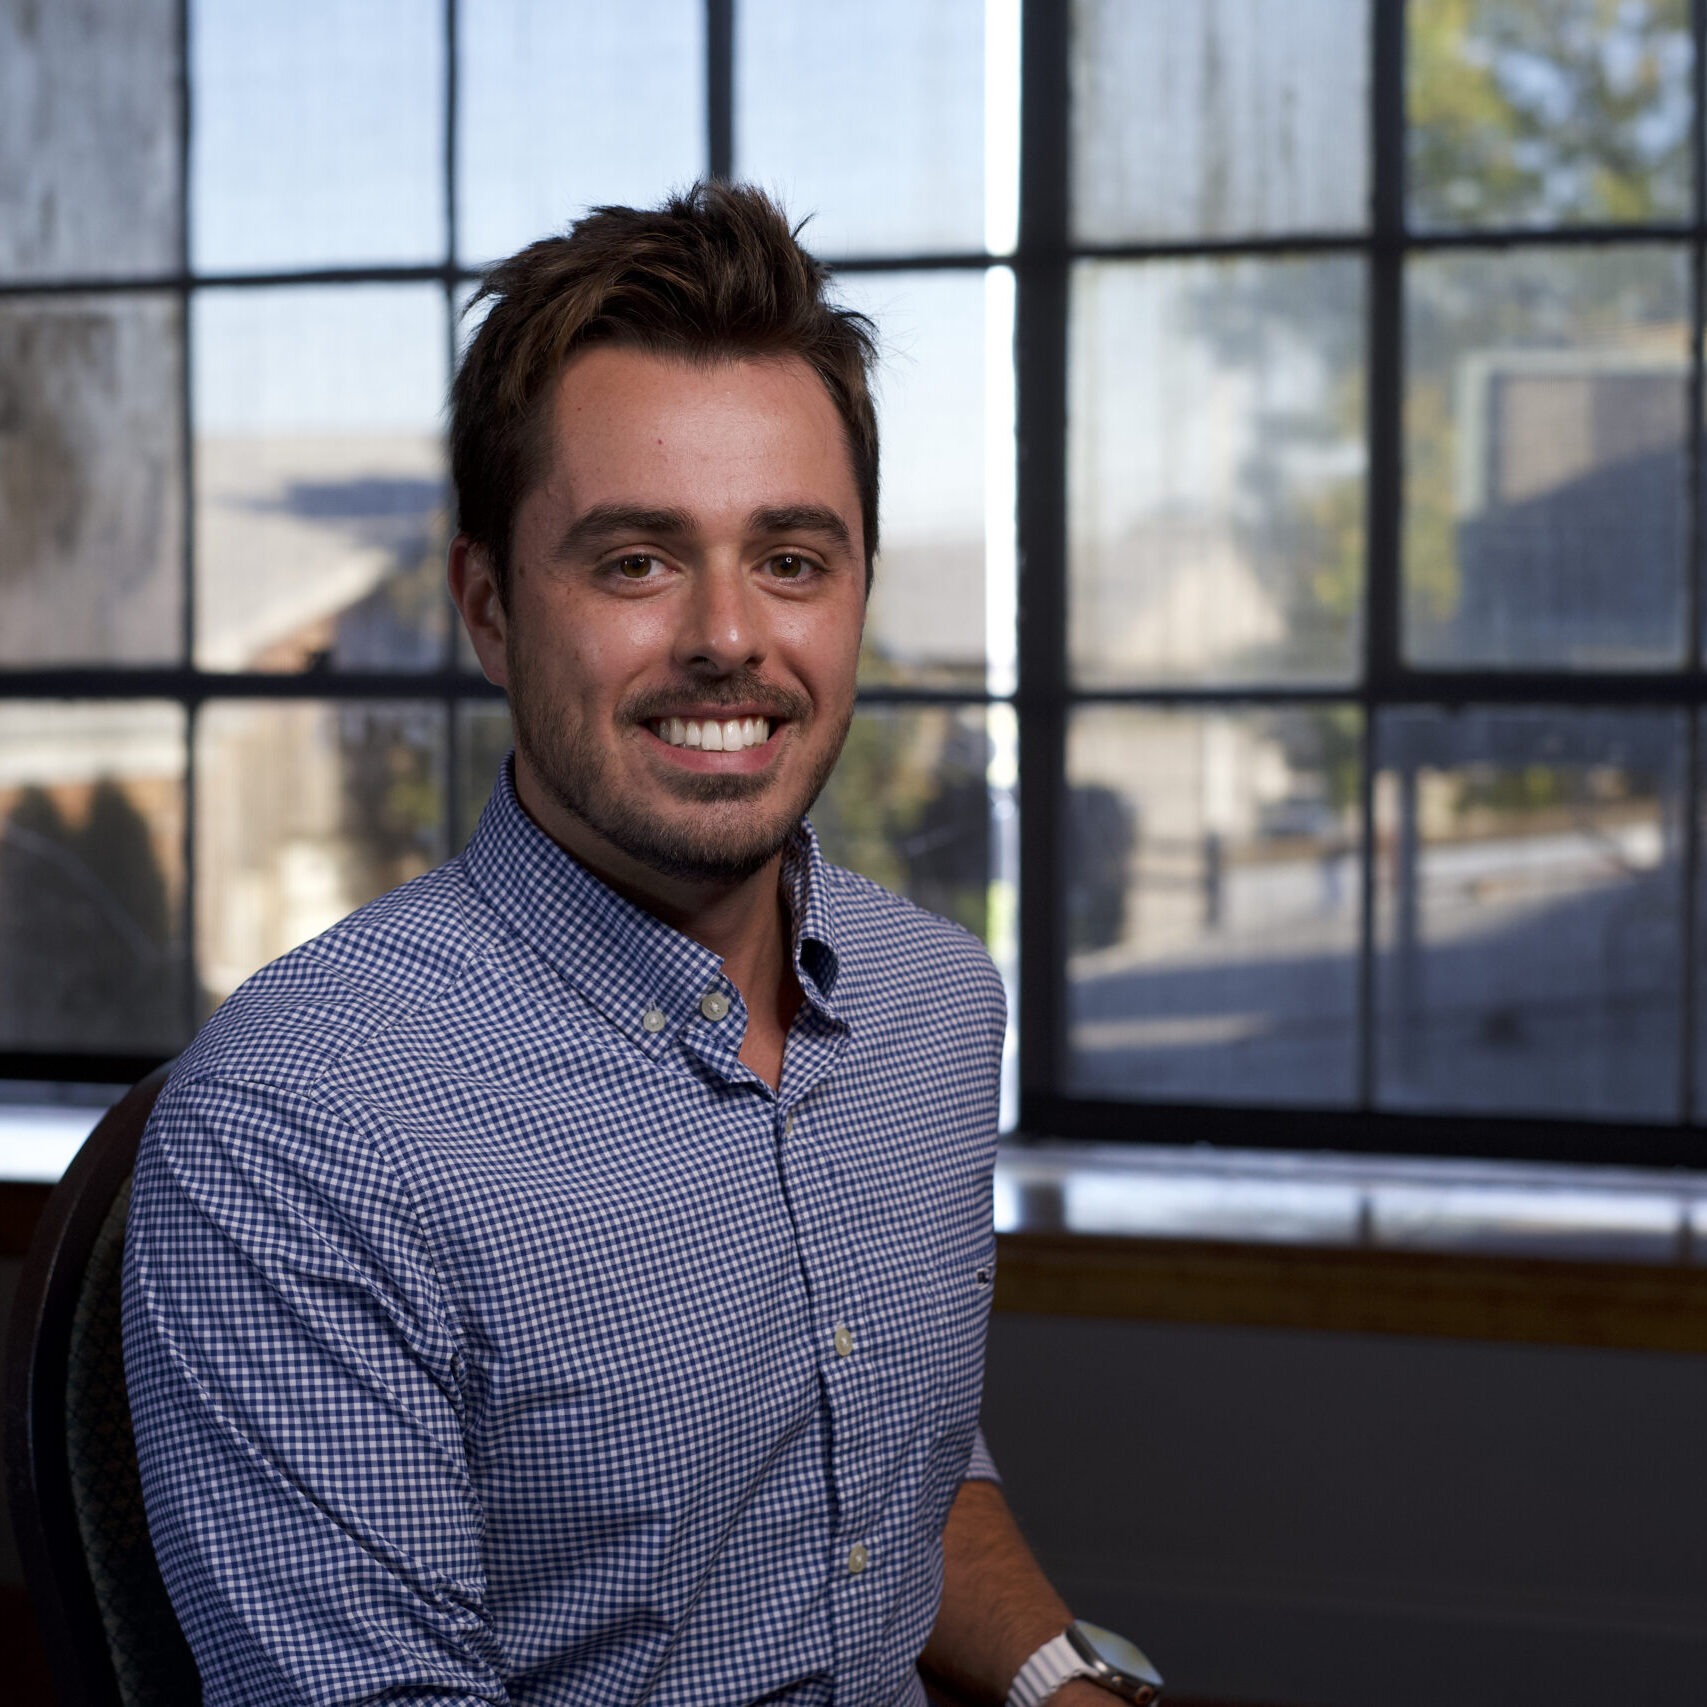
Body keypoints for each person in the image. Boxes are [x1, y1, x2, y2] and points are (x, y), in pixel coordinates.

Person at [124, 184, 1156, 1707]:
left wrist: (1061, 1680)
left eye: (793, 560)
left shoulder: (937, 1007)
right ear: (488, 609)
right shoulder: (302, 1132)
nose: (731, 637)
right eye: (637, 562)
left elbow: (890, 1446)